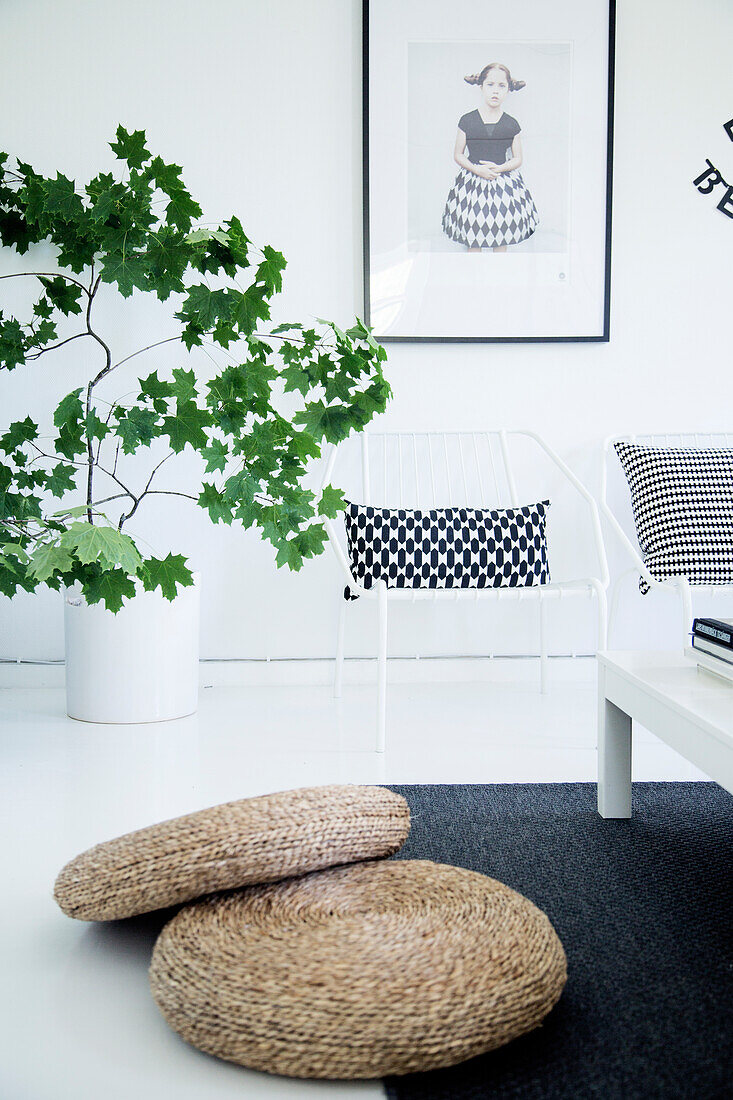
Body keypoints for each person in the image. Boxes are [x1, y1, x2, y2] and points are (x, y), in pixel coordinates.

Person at [442, 63, 539, 252]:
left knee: (500, 235)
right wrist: (477, 169)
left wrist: (499, 169)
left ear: (509, 89)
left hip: (502, 183)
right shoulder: (467, 120)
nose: (496, 91)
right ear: (481, 86)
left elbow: (517, 159)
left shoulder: (511, 123)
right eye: (490, 85)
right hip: (472, 184)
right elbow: (458, 154)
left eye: (502, 86)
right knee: (473, 236)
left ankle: (498, 276)